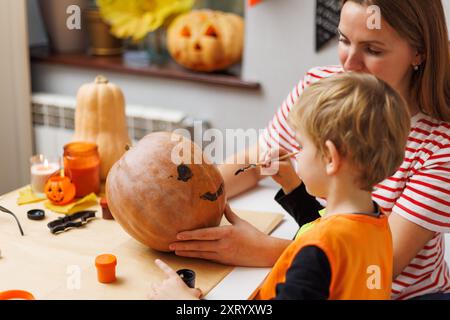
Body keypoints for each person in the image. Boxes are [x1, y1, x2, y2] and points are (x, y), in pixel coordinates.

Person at [169, 0, 450, 300]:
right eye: (344, 40)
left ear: (419, 51)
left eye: (373, 49)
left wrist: (189, 304)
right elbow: (261, 160)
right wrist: (189, 204)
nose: (349, 64)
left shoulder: (441, 147)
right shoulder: (322, 89)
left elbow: (378, 263)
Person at [148, 73, 410, 300]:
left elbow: (320, 252)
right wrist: (293, 188)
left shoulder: (314, 257)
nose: (295, 154)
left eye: (302, 146)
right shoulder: (374, 222)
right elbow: (322, 227)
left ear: (330, 158)